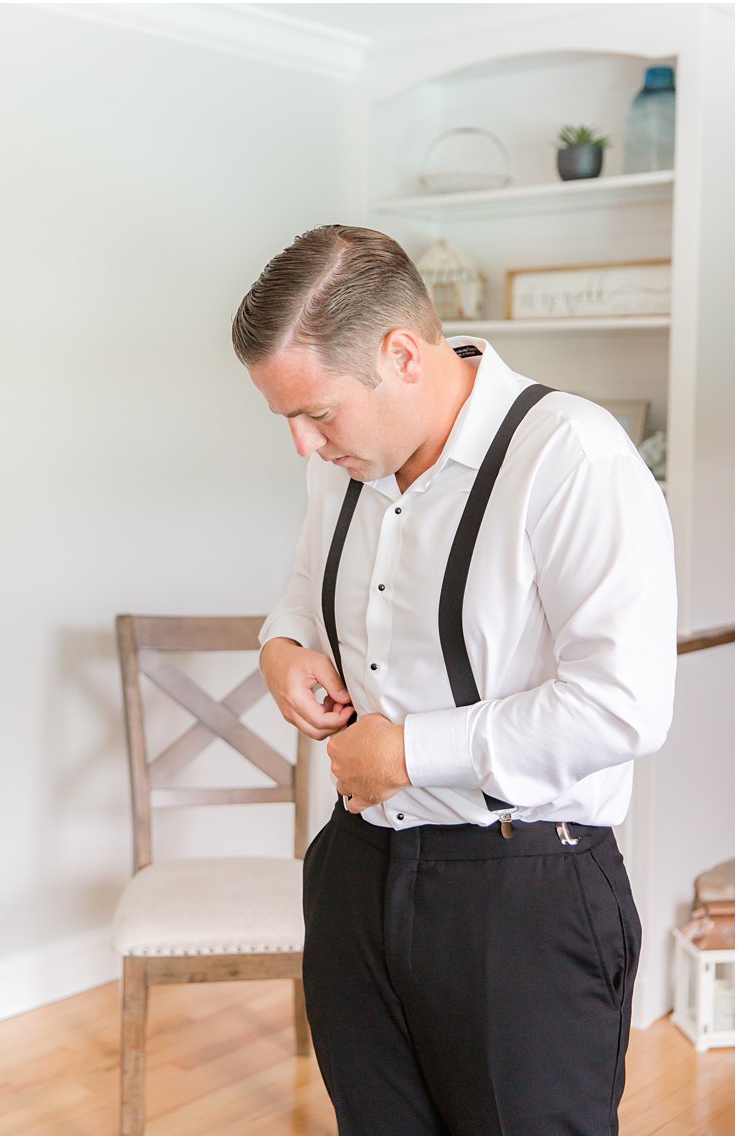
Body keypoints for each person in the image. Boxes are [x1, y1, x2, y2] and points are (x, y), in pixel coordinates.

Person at [230, 224, 676, 1135]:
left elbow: (623, 703)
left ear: (401, 354)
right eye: (285, 417)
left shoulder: (571, 458)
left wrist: (404, 750)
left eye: (316, 412)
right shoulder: (345, 468)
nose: (303, 446)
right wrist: (282, 655)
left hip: (522, 894)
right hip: (356, 875)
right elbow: (300, 603)